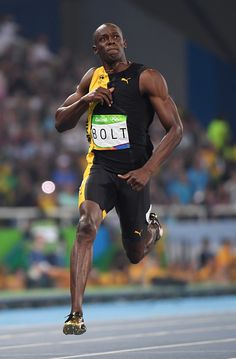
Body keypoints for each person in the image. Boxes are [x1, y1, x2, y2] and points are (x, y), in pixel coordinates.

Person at [55, 23, 183, 335]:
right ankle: (75, 314)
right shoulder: (91, 77)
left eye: (115, 37)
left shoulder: (147, 77)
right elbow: (60, 121)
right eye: (103, 39)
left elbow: (176, 129)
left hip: (135, 173)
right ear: (95, 48)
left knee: (135, 254)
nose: (110, 42)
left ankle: (152, 230)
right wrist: (86, 101)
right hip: (99, 168)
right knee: (86, 226)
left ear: (124, 41)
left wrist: (147, 170)